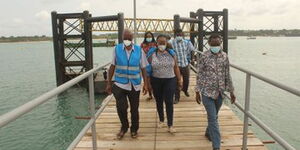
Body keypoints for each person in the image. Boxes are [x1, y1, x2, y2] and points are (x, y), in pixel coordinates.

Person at [195, 34, 236, 150]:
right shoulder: (204, 56)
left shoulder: (224, 56)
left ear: (220, 43)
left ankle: (208, 132)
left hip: (220, 92)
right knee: (213, 118)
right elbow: (200, 74)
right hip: (207, 93)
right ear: (209, 44)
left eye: (217, 44)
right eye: (213, 44)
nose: (215, 46)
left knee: (214, 116)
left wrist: (232, 91)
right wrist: (197, 91)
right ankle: (216, 146)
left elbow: (227, 74)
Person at [105, 29, 149, 139]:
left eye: (129, 38)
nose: (127, 40)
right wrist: (109, 83)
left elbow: (143, 68)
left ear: (132, 38)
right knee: (121, 107)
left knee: (134, 109)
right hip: (120, 84)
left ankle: (134, 129)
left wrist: (146, 84)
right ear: (122, 37)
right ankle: (124, 127)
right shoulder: (117, 49)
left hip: (135, 85)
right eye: (125, 38)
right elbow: (112, 66)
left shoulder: (139, 50)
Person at [147, 34, 182, 133]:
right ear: (156, 43)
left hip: (170, 79)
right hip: (156, 80)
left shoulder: (172, 53)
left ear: (167, 43)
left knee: (169, 101)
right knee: (158, 101)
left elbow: (176, 67)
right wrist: (147, 83)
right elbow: (147, 68)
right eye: (160, 43)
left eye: (163, 43)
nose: (161, 44)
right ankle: (161, 120)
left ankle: (170, 124)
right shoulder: (152, 54)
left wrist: (179, 80)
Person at [169, 29, 195, 104]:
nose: (179, 36)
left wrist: (192, 58)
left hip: (185, 64)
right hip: (176, 65)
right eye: (177, 35)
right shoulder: (171, 43)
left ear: (183, 35)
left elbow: (192, 50)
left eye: (180, 35)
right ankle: (177, 97)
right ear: (175, 35)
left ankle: (185, 90)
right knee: (177, 81)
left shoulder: (187, 42)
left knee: (186, 80)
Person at [141, 31, 157, 100]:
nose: (149, 38)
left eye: (150, 36)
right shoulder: (142, 44)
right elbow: (140, 54)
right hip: (146, 65)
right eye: (147, 36)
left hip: (155, 64)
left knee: (155, 80)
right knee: (147, 81)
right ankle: (150, 94)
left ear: (152, 37)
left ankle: (156, 94)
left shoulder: (155, 44)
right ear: (145, 37)